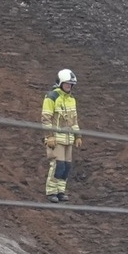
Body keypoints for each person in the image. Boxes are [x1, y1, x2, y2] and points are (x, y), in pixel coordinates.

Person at [41, 69, 81, 203]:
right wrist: (49, 136)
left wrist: (78, 136)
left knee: (66, 166)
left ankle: (60, 191)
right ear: (60, 83)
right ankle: (51, 191)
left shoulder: (71, 99)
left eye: (71, 84)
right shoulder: (52, 97)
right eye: (67, 83)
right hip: (56, 139)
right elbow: (46, 118)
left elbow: (74, 121)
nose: (69, 86)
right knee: (57, 165)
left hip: (68, 139)